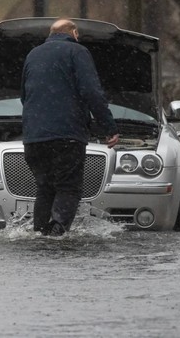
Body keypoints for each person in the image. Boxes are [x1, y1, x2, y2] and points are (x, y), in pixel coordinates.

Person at [20, 18, 120, 236]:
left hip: (34, 138)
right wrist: (108, 128)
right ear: (74, 33)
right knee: (68, 187)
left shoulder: (33, 55)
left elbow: (24, 97)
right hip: (66, 136)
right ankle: (57, 232)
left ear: (50, 34)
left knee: (45, 188)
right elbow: (91, 92)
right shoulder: (77, 52)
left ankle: (39, 235)